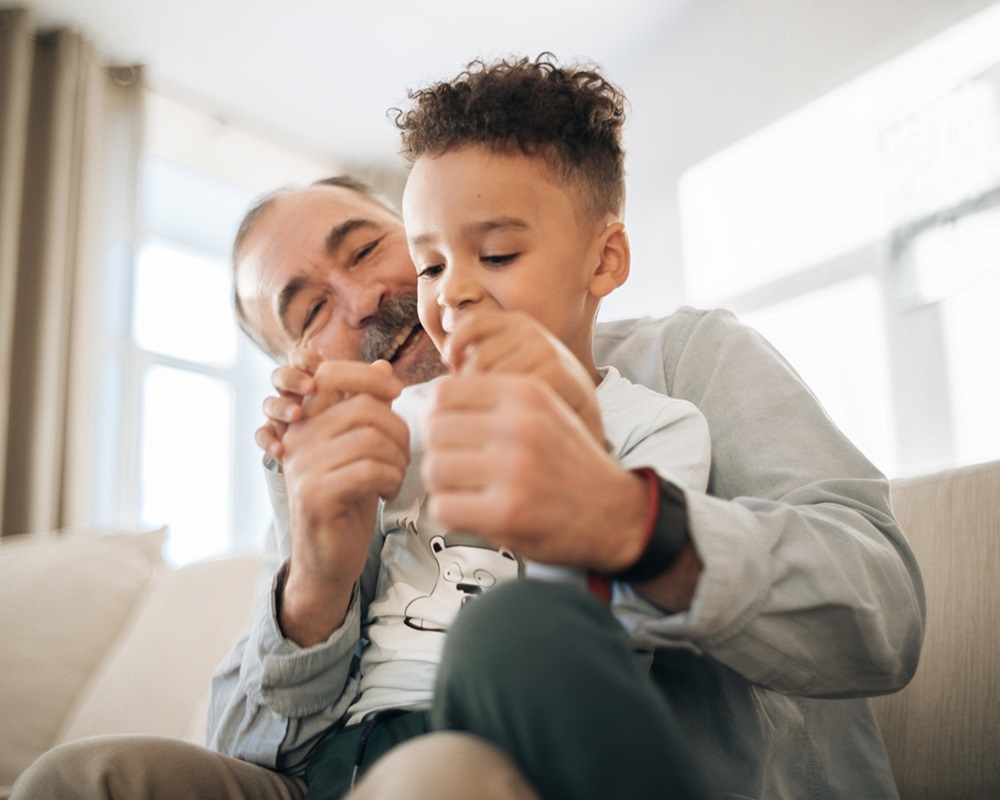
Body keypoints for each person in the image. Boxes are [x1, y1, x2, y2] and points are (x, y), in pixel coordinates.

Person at [10, 57, 925, 800]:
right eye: (309, 310)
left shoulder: (679, 368)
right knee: (82, 777)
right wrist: (317, 581)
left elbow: (881, 617)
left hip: (547, 759)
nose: (374, 297)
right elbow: (245, 751)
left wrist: (628, 523)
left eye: (369, 249)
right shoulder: (330, 466)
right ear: (301, 367)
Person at [291, 54, 715, 799]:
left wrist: (579, 451)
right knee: (95, 772)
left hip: (512, 740)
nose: (450, 288)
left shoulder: (657, 427)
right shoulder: (408, 425)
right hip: (351, 747)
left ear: (605, 258)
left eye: (495, 254)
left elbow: (619, 633)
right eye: (428, 266)